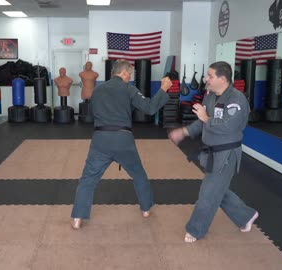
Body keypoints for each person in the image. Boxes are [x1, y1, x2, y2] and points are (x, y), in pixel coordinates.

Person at [71, 59, 173, 229]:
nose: (131, 77)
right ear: (124, 72)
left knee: (88, 179)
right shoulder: (128, 88)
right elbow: (150, 108)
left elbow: (92, 115)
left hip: (100, 139)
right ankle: (146, 209)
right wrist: (163, 89)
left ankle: (77, 218)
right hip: (123, 140)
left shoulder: (97, 90)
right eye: (130, 74)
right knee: (139, 174)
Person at [168, 61, 258, 243]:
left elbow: (227, 126)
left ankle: (195, 230)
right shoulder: (210, 96)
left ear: (222, 79)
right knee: (218, 189)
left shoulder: (236, 99)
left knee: (208, 193)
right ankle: (245, 216)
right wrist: (184, 132)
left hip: (226, 155)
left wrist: (206, 118)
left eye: (210, 76)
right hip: (210, 153)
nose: (206, 79)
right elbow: (202, 121)